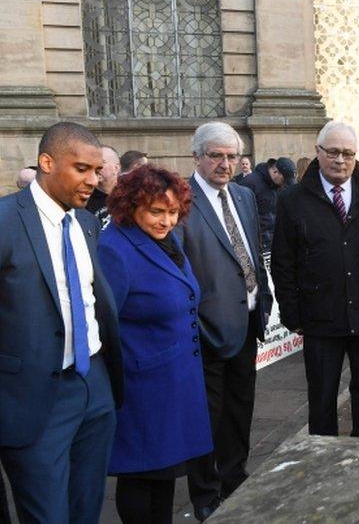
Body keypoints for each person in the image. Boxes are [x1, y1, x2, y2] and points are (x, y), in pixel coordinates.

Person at [0, 122, 124, 523]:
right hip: (33, 398)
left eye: (97, 171)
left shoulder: (86, 223)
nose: (93, 180)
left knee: (86, 509)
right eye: (82, 169)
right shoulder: (5, 220)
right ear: (46, 162)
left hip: (94, 384)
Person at [97, 165, 212, 523]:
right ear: (131, 206)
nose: (166, 220)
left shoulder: (167, 240)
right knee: (141, 476)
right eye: (156, 211)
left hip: (174, 381)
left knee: (165, 474)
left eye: (173, 212)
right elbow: (104, 325)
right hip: (141, 387)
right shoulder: (114, 248)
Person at [271, 121, 359, 438]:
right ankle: (321, 458)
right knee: (322, 397)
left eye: (348, 153)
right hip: (320, 318)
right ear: (318, 152)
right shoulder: (292, 201)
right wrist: (292, 313)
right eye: (334, 152)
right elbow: (283, 263)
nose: (341, 160)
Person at [177, 122, 271, 521]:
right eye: (216, 155)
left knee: (240, 408)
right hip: (206, 329)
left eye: (231, 156)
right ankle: (205, 493)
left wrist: (262, 300)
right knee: (206, 417)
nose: (225, 164)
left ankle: (235, 478)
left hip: (247, 323)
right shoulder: (180, 199)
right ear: (196, 156)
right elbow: (178, 267)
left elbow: (249, 251)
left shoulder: (245, 196)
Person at [239, 157, 297, 252]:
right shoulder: (250, 183)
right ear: (275, 172)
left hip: (273, 241)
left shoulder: (277, 186)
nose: (284, 184)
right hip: (257, 243)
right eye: (283, 180)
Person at [86, 144, 121, 226]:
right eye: (93, 163)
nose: (96, 167)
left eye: (102, 163)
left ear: (116, 168)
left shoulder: (129, 195)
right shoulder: (85, 196)